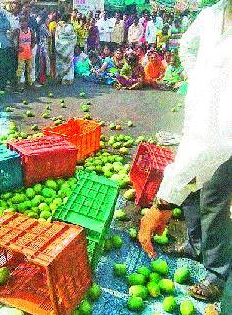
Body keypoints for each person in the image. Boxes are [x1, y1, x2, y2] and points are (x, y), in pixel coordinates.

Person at [139, 0, 232, 303]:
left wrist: (163, 204)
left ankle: (217, 272)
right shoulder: (210, 15)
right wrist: (199, 82)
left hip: (221, 140)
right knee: (194, 186)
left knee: (214, 194)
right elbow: (187, 48)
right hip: (204, 132)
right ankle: (195, 244)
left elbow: (216, 141)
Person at [55, 13, 77, 85]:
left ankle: (59, 78)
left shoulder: (58, 26)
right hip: (68, 49)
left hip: (59, 49)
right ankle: (67, 79)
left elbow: (57, 38)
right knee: (68, 63)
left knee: (60, 63)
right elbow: (73, 38)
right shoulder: (69, 27)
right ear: (68, 19)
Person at [14, 15, 35, 89]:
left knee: (29, 68)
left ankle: (29, 82)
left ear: (27, 22)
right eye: (21, 21)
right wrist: (17, 48)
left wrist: (30, 47)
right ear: (19, 22)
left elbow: (33, 41)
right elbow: (13, 40)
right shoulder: (18, 30)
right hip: (21, 54)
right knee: (20, 68)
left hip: (29, 53)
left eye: (24, 21)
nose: (23, 23)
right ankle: (19, 82)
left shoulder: (30, 30)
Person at [38, 14, 51, 85]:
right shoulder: (43, 26)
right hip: (43, 47)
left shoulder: (44, 26)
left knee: (44, 64)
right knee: (43, 64)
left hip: (44, 46)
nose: (49, 21)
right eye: (48, 19)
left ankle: (43, 79)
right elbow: (49, 35)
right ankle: (42, 80)